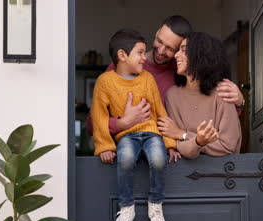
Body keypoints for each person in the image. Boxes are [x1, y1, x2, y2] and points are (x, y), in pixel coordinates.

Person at [88, 15, 244, 143]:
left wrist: (238, 103)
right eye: (159, 41)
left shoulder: (183, 73)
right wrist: (122, 123)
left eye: (170, 48)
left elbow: (212, 115)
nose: (161, 51)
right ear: (157, 33)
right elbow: (90, 125)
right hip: (125, 156)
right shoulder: (122, 66)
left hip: (171, 159)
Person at [91, 29, 179, 221]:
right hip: (127, 136)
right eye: (140, 52)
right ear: (122, 55)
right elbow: (98, 116)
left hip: (150, 133)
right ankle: (126, 208)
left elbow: (159, 109)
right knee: (126, 158)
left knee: (158, 159)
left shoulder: (147, 78)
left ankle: (155, 206)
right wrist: (105, 147)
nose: (144, 57)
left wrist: (169, 142)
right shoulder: (105, 82)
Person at [164, 32, 242, 158]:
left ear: (200, 56)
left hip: (223, 173)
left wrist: (184, 135)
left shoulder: (223, 92)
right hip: (183, 174)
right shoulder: (172, 95)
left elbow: (228, 146)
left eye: (183, 50)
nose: (176, 55)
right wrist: (198, 140)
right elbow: (180, 147)